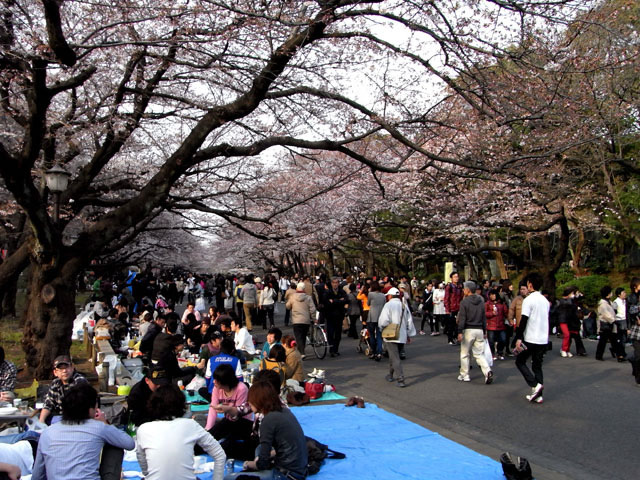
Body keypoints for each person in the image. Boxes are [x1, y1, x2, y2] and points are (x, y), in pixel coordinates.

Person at [32, 383, 135, 480]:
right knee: (115, 445)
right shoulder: (99, 427)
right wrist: (105, 423)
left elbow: (37, 475)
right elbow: (129, 443)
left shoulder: (48, 432)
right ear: (90, 410)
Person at [136, 384, 226, 480]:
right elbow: (220, 454)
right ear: (181, 404)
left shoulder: (143, 429)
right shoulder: (190, 425)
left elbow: (144, 465)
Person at [240, 382, 307, 480]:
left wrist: (249, 464)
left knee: (232, 478)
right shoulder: (285, 411)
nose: (249, 403)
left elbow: (262, 463)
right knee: (259, 448)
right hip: (301, 469)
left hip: (287, 475)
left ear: (258, 400)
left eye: (250, 400)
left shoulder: (268, 420)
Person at [514, 273, 549, 404]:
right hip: (543, 338)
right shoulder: (545, 301)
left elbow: (524, 320)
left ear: (530, 284)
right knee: (537, 366)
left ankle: (535, 385)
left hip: (531, 337)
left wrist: (518, 337)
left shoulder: (528, 300)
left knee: (520, 361)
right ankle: (538, 395)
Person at [204, 364, 253, 458]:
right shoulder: (217, 389)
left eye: (216, 380)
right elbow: (212, 408)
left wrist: (227, 409)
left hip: (241, 422)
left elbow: (240, 412)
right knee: (210, 432)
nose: (213, 382)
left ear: (225, 381)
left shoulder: (241, 388)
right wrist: (208, 429)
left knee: (225, 438)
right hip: (227, 422)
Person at [457, 281, 493, 384]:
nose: (463, 290)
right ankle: (487, 371)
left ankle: (465, 374)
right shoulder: (481, 301)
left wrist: (460, 331)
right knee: (479, 353)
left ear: (468, 290)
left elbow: (462, 318)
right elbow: (483, 317)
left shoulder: (464, 302)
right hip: (479, 330)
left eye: (464, 288)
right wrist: (484, 330)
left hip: (468, 330)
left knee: (465, 353)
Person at [378, 287, 414, 388]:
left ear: (390, 296)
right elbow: (409, 321)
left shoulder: (388, 305)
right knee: (393, 356)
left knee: (394, 357)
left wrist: (381, 328)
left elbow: (383, 321)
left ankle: (400, 379)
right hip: (401, 334)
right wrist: (408, 333)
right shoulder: (403, 305)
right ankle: (390, 374)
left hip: (390, 334)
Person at [39, 355, 87, 424]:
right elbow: (48, 404)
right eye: (61, 369)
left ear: (72, 368)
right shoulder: (55, 383)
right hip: (59, 418)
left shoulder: (79, 381)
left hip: (77, 419)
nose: (64, 371)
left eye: (67, 367)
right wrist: (41, 421)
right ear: (55, 372)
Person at [286, 282, 316, 358]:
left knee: (298, 336)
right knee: (303, 335)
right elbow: (313, 309)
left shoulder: (292, 297)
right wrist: (314, 318)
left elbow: (288, 306)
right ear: (304, 289)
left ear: (297, 289)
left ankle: (302, 352)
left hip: (296, 320)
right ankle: (302, 351)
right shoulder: (308, 297)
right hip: (306, 320)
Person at [556, 286, 587, 357]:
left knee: (571, 335)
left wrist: (579, 296)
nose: (573, 295)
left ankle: (567, 350)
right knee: (567, 335)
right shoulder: (562, 301)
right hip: (563, 320)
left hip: (570, 320)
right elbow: (568, 304)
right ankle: (564, 350)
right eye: (572, 293)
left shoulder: (571, 300)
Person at [323, 277, 348, 357]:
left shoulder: (342, 291)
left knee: (338, 334)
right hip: (330, 315)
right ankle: (331, 349)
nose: (335, 284)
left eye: (336, 282)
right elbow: (326, 302)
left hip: (339, 315)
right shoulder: (327, 292)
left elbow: (346, 300)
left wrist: (334, 301)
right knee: (330, 333)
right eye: (333, 282)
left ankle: (336, 349)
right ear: (331, 283)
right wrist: (339, 301)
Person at [595, 286, 622, 361]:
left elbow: (613, 308)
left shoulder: (609, 302)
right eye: (611, 292)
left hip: (610, 324)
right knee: (603, 341)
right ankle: (599, 355)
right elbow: (606, 314)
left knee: (614, 341)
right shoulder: (603, 304)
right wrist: (614, 320)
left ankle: (619, 355)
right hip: (605, 324)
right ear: (608, 294)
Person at [485, 289, 508, 361]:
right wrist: (492, 313)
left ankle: (500, 352)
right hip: (491, 326)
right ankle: (492, 353)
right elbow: (484, 314)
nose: (492, 296)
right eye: (491, 295)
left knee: (503, 340)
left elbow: (506, 313)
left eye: (494, 294)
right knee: (491, 341)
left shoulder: (501, 304)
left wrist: (509, 318)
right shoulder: (487, 304)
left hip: (501, 325)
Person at [366, 281, 385, 361]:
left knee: (371, 335)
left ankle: (373, 352)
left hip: (372, 317)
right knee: (379, 335)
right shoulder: (383, 295)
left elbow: (368, 303)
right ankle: (379, 352)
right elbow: (385, 304)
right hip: (380, 317)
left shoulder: (370, 294)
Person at [444, 272, 464, 345]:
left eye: (457, 276)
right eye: (455, 277)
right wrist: (447, 309)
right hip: (452, 308)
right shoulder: (449, 287)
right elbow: (446, 298)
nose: (456, 278)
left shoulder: (460, 286)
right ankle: (450, 338)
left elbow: (461, 297)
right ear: (451, 278)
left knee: (458, 324)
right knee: (451, 324)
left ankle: (457, 337)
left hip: (459, 307)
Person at [612, 287, 628, 361]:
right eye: (623, 293)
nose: (625, 294)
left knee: (624, 338)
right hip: (619, 320)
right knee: (620, 338)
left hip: (625, 320)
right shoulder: (616, 302)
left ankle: (619, 352)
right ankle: (620, 355)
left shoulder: (625, 301)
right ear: (619, 294)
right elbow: (613, 312)